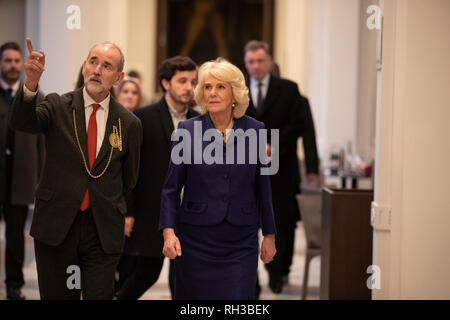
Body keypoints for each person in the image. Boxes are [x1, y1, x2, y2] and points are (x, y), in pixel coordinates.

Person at [9, 38, 142, 300]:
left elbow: (129, 178)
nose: (97, 69)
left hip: (102, 229)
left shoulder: (129, 123)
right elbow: (22, 122)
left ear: (118, 77)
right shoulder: (58, 106)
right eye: (93, 61)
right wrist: (31, 83)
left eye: (106, 66)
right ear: (84, 66)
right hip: (58, 226)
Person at [159, 58, 276, 300]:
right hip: (195, 241)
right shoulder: (186, 131)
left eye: (221, 87)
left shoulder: (257, 130)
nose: (212, 93)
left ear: (235, 93)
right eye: (207, 87)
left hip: (240, 241)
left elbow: (264, 189)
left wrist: (270, 235)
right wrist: (168, 233)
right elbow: (171, 188)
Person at [116, 56, 198, 300]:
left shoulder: (201, 121)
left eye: (193, 81)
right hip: (151, 209)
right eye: (182, 81)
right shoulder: (143, 117)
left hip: (189, 212)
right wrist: (128, 211)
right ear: (165, 83)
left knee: (183, 277)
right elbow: (130, 168)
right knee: (147, 272)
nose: (188, 87)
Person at [243, 40, 320, 294]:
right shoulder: (237, 88)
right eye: (251, 61)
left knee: (281, 224)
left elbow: (300, 127)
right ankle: (250, 280)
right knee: (245, 225)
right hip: (245, 170)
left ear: (269, 61)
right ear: (246, 63)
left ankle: (276, 273)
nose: (256, 65)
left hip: (281, 169)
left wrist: (273, 146)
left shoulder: (288, 89)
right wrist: (256, 145)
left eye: (260, 60)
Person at [0, 41, 43, 300]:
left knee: (15, 235)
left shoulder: (32, 95)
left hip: (19, 178)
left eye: (17, 61)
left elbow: (41, 142)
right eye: (8, 60)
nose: (13, 65)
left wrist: (39, 177)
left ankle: (14, 286)